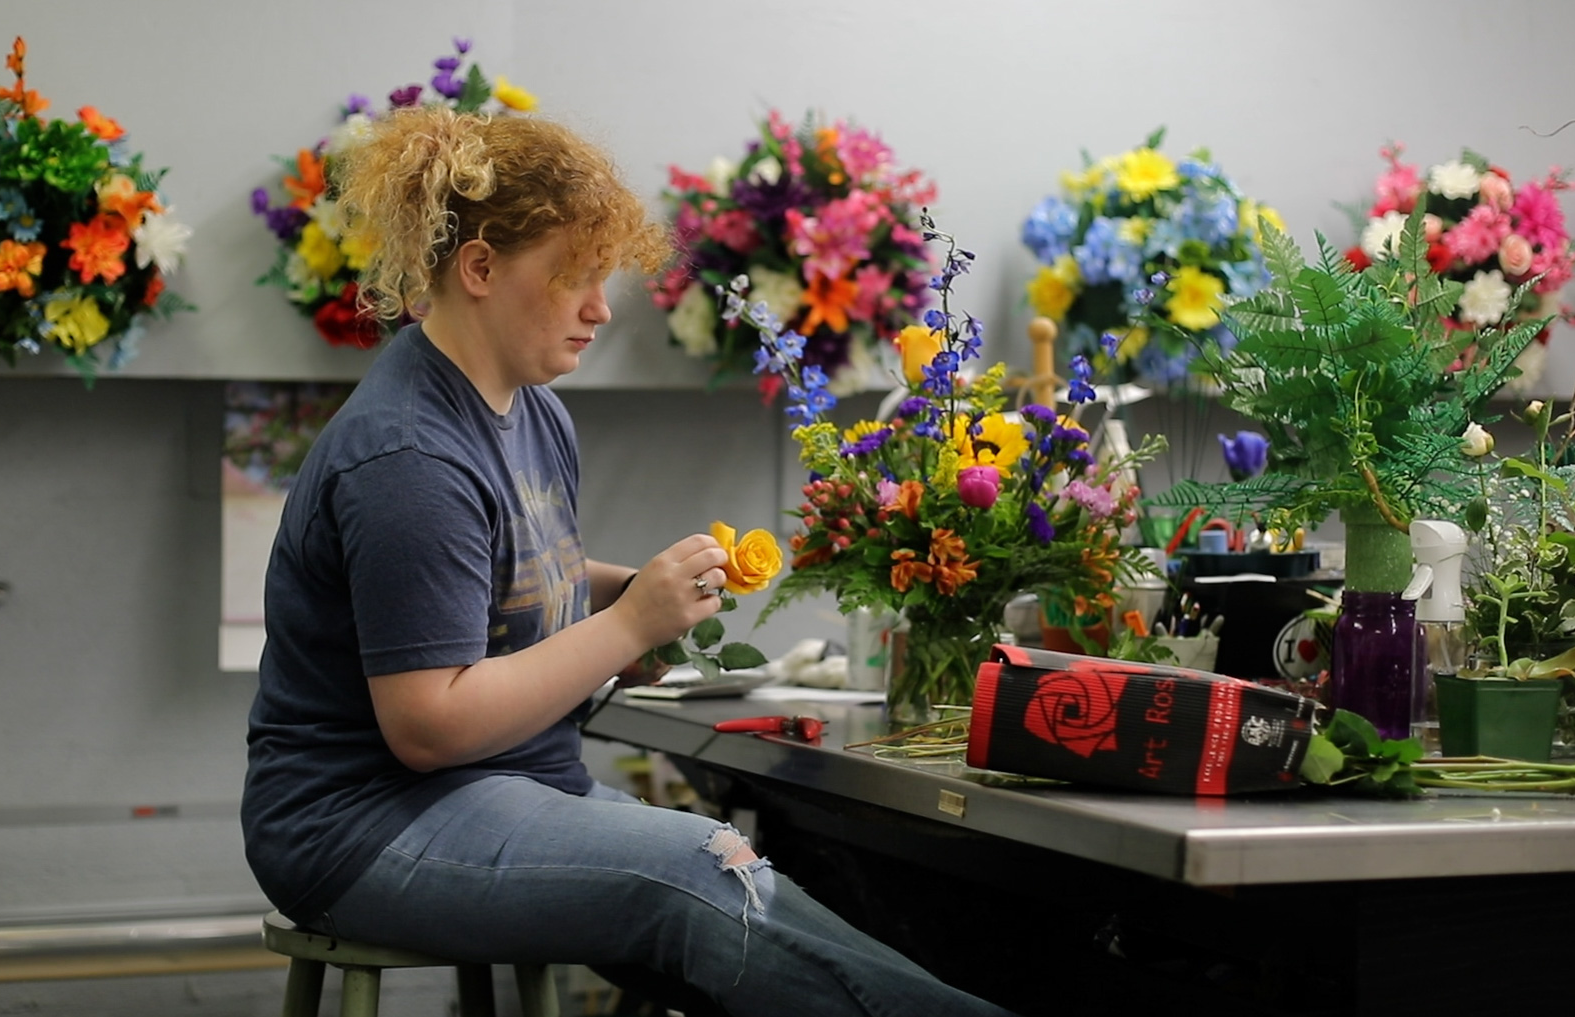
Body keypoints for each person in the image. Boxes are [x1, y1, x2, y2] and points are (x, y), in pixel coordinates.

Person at [239, 105, 1015, 1017]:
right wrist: (629, 623)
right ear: (479, 268)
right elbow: (429, 724)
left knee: (719, 877)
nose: (601, 309)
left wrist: (646, 592)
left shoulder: (532, 410)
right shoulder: (408, 455)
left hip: (498, 788)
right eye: (574, 278)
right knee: (693, 872)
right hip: (364, 825)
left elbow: (516, 577)